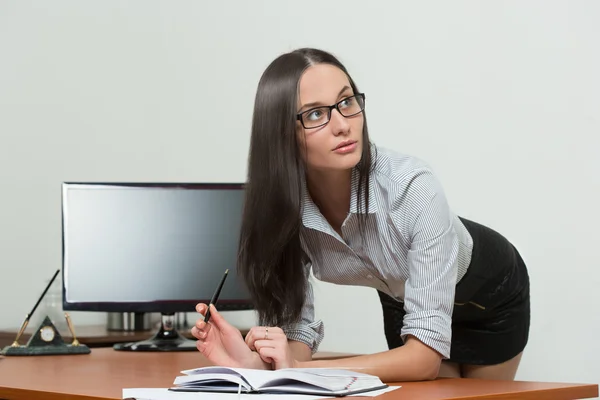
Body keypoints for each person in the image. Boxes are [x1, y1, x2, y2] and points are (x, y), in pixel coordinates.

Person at [191, 48, 531, 382]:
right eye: (314, 115)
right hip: (407, 300)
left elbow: (423, 360)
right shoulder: (283, 215)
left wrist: (299, 370)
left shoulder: (412, 188)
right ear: (281, 134)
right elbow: (296, 336)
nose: (342, 125)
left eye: (346, 102)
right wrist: (257, 363)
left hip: (490, 298)